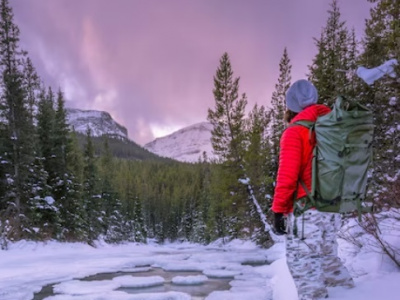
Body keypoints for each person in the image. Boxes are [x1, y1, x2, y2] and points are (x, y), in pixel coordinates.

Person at [271, 79, 354, 300]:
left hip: (307, 209)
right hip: (332, 206)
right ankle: (350, 294)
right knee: (328, 258)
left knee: (304, 266)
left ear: (291, 105)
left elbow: (287, 176)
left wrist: (278, 210)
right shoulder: (334, 127)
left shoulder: (295, 132)